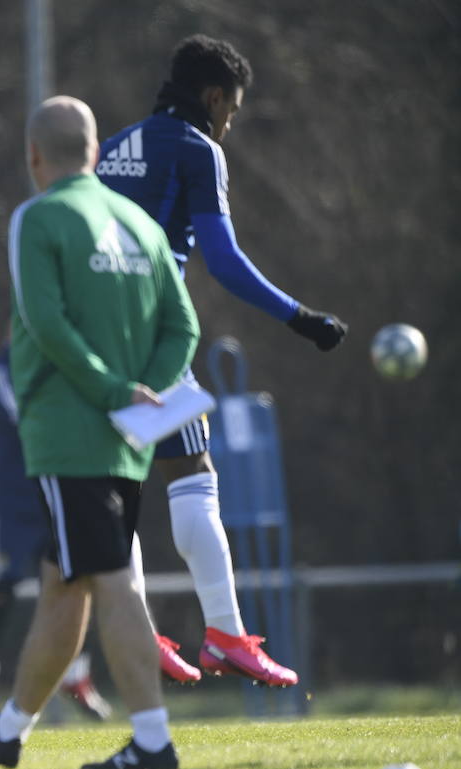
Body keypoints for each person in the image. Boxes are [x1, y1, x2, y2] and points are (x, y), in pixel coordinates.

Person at [96, 34, 347, 687]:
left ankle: (136, 629)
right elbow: (225, 260)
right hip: (150, 330)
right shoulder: (196, 149)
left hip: (91, 333)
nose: (229, 124)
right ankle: (228, 635)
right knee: (192, 471)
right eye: (231, 111)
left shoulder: (116, 144)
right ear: (213, 99)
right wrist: (302, 317)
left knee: (119, 483)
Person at [0, 96, 199, 769]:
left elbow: (43, 320)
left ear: (34, 156)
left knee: (112, 578)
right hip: (130, 438)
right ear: (95, 154)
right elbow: (184, 329)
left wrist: (108, 391)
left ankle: (152, 742)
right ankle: (8, 729)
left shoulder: (39, 216)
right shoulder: (140, 222)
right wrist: (142, 393)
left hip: (71, 434)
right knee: (65, 581)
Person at [0, 342, 111, 721]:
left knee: (73, 580)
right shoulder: (0, 371)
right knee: (3, 588)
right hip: (9, 504)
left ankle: (76, 678)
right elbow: (25, 416)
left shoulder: (62, 363)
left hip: (53, 494)